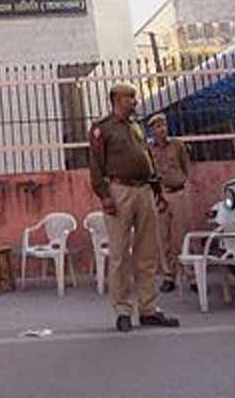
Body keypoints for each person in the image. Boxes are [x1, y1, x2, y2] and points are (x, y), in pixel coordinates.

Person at [89, 83, 180, 333]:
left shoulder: (136, 125)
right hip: (120, 191)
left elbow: (146, 158)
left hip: (144, 190)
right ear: (117, 99)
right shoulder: (102, 128)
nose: (135, 102)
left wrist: (157, 191)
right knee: (119, 254)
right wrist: (105, 196)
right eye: (130, 98)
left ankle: (148, 308)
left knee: (147, 252)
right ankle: (122, 310)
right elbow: (96, 165)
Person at [147, 114, 192, 293]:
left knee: (183, 234)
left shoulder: (177, 145)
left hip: (178, 192)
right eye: (157, 126)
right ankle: (169, 275)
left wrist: (186, 185)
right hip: (160, 195)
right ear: (152, 130)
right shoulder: (150, 150)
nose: (162, 129)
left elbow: (186, 167)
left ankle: (190, 274)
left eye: (163, 125)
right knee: (163, 237)